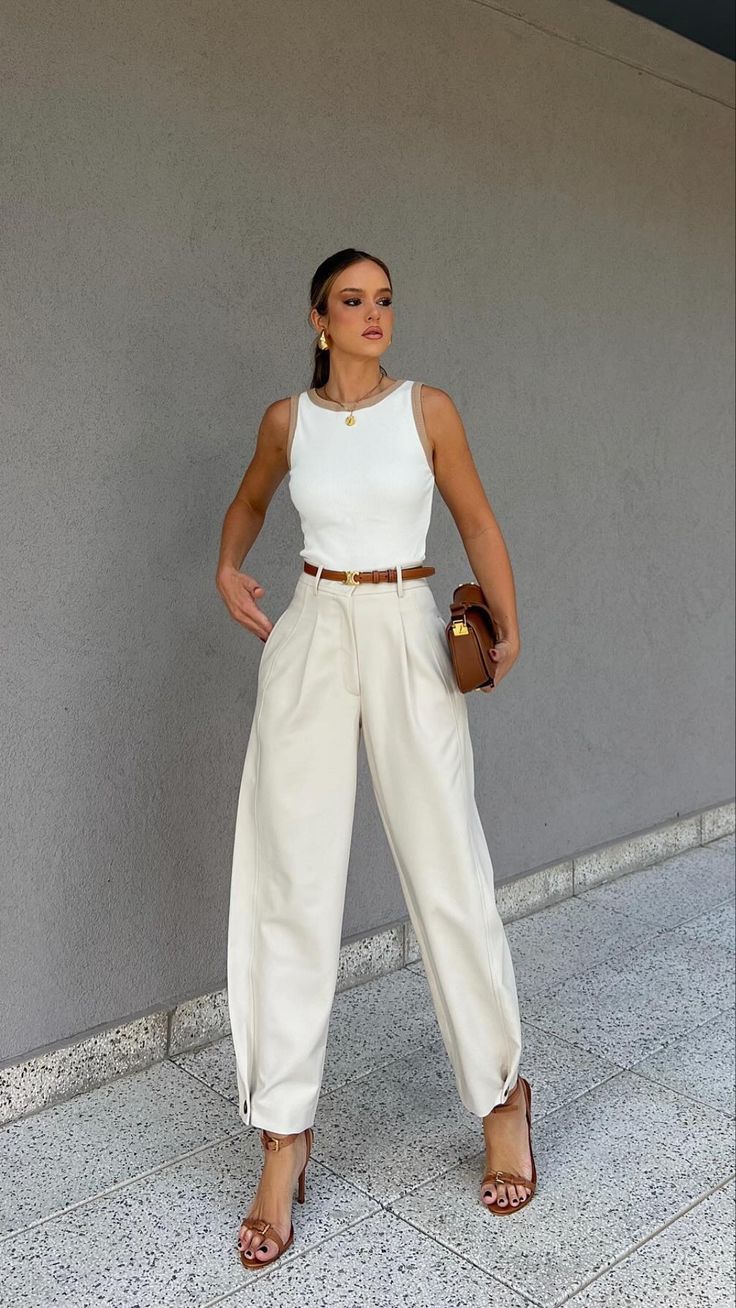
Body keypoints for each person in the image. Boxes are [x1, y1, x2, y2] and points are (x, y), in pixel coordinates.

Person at [216, 248, 536, 1269]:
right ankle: (283, 1135)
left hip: (406, 622)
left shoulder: (427, 409)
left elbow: (476, 517)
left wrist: (510, 626)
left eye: (384, 299)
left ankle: (500, 1098)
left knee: (448, 867)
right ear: (317, 318)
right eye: (352, 301)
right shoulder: (286, 421)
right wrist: (228, 567)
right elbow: (251, 502)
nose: (373, 314)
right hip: (313, 627)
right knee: (288, 881)